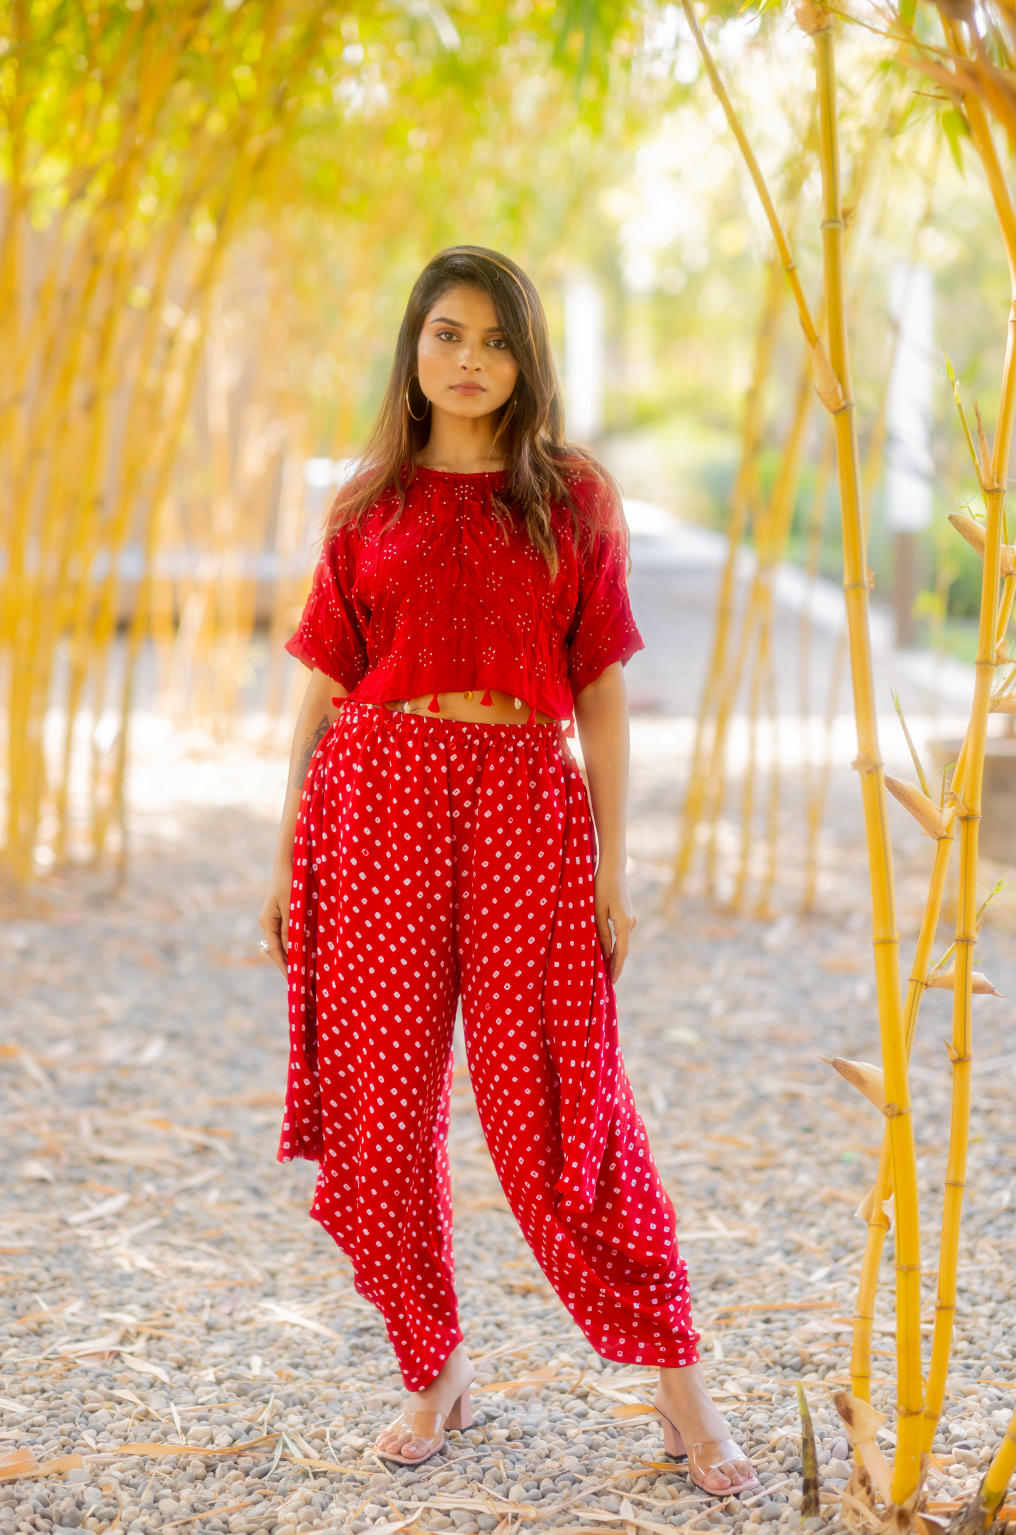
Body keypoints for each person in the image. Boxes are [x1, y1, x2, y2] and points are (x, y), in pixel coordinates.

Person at [258, 245, 759, 1498]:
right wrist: (280, 859)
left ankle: (678, 1387)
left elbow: (601, 684)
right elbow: (321, 693)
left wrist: (611, 864)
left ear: (526, 358)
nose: (469, 359)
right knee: (383, 1111)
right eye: (445, 334)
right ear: (413, 349)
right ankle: (432, 1366)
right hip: (372, 804)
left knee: (563, 1100)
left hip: (528, 804)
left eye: (493, 339)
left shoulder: (571, 494)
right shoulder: (366, 502)